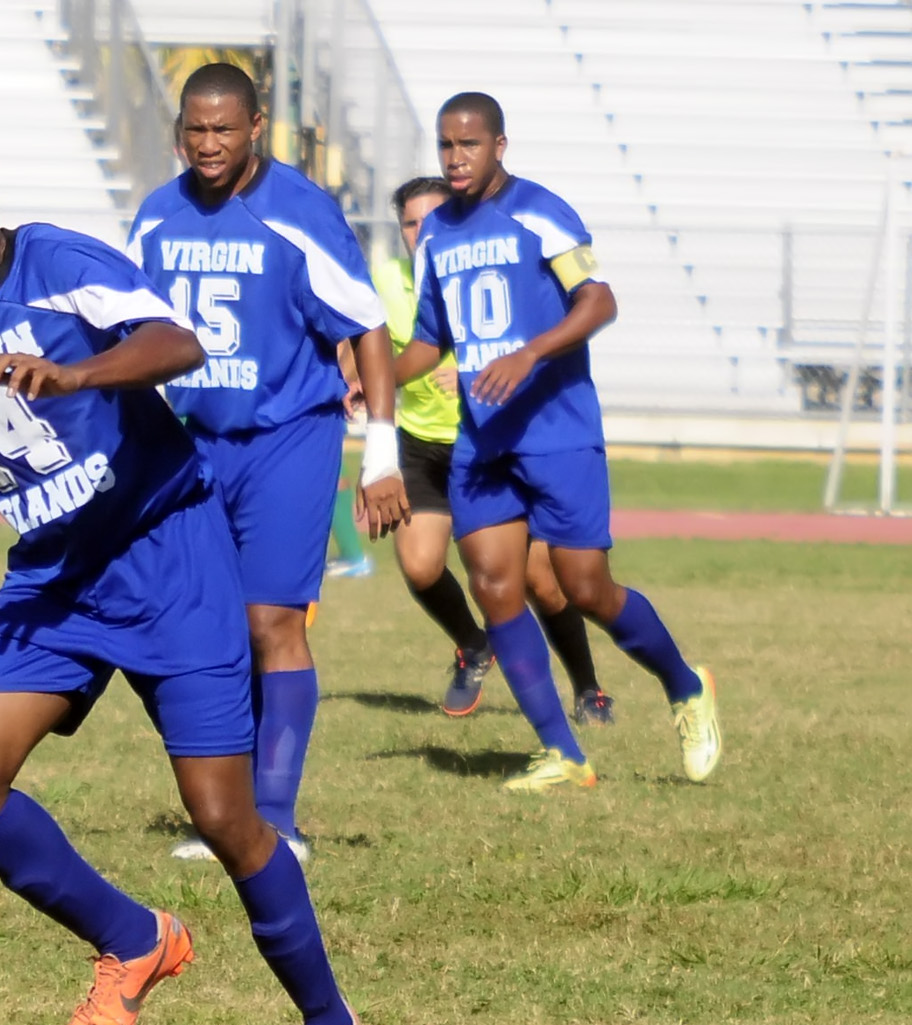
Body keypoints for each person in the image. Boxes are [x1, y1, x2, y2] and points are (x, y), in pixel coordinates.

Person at [0, 125, 359, 1025]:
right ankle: (133, 939)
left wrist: (77, 375)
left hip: (170, 559)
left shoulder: (62, 266)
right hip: (54, 577)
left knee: (226, 820)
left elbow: (178, 341)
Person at [395, 94, 721, 791]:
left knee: (585, 587)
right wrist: (376, 382)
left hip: (558, 431)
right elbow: (430, 340)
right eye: (446, 145)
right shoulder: (438, 238)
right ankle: (563, 753)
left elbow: (599, 300)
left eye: (470, 144)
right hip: (483, 444)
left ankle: (686, 684)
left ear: (499, 146)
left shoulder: (540, 211)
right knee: (495, 585)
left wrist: (529, 353)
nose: (456, 157)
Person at [126, 63, 408, 860]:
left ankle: (274, 820)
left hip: (290, 435)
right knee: (207, 632)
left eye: (224, 129)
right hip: (193, 445)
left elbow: (368, 327)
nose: (207, 145)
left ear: (256, 128)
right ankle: (227, 812)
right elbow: (128, 333)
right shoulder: (155, 218)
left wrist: (380, 455)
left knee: (270, 621)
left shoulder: (302, 213)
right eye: (194, 130)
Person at [377, 175, 614, 722]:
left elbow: (507, 329)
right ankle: (473, 646)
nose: (419, 231)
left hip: (487, 439)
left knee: (542, 582)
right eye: (408, 223)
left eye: (427, 218)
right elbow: (373, 342)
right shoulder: (387, 281)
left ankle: (587, 687)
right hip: (422, 445)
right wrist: (363, 374)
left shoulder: (484, 257)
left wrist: (472, 373)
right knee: (418, 566)